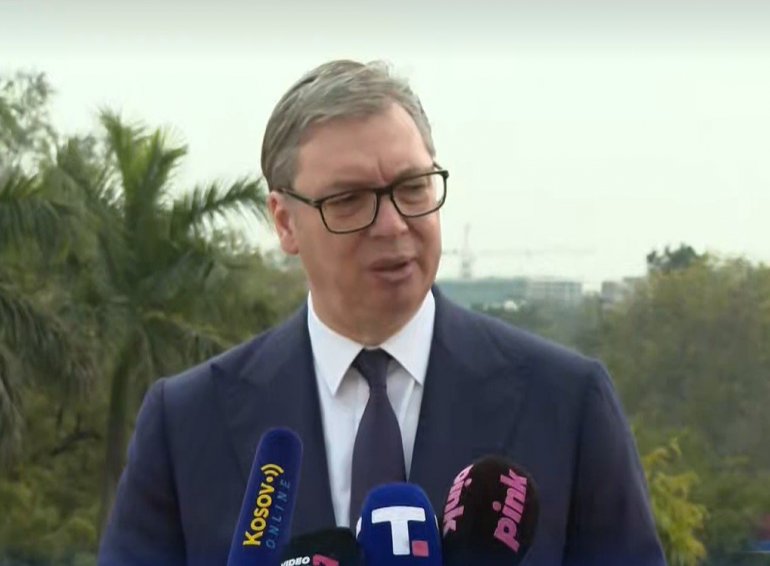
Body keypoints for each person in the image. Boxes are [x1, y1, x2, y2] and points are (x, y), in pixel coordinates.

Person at [98, 59, 665, 565]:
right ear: (285, 222)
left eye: (413, 188)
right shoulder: (186, 423)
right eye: (349, 200)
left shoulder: (566, 403)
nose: (393, 225)